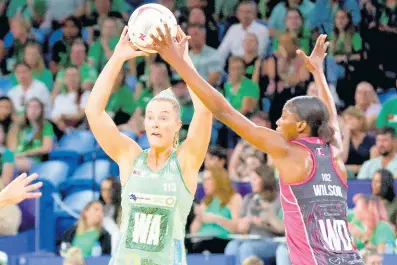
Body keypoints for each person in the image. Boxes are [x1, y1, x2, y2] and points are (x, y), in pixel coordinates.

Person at [151, 27, 363, 264]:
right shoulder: (333, 153)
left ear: (302, 125)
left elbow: (223, 110)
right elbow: (330, 117)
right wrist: (318, 73)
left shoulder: (289, 152)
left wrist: (178, 63)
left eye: (285, 116)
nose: (278, 121)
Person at [85, 27, 212, 265]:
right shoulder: (131, 156)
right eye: (150, 117)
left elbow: (204, 110)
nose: (155, 123)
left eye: (163, 117)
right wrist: (117, 58)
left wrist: (183, 61)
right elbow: (93, 111)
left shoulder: (185, 161)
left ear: (177, 125)